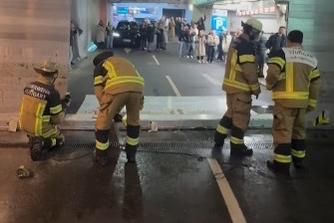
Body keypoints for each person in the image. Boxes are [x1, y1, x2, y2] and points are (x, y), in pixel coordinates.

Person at [266, 30, 321, 175]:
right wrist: (312, 103)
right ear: (301, 41)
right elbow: (315, 83)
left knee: (283, 132)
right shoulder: (310, 58)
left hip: (285, 102)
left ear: (288, 40)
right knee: (299, 132)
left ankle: (281, 166)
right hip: (302, 104)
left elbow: (272, 73)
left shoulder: (281, 53)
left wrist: (270, 85)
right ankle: (299, 162)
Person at [213, 18, 263, 156]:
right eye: (257, 33)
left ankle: (218, 138)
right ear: (252, 32)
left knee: (231, 113)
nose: (258, 36)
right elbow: (249, 71)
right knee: (241, 118)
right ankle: (237, 148)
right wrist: (256, 88)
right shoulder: (246, 46)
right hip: (241, 89)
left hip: (231, 86)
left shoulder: (236, 41)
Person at [93, 51, 145, 166]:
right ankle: (131, 156)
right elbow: (128, 85)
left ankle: (101, 156)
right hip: (138, 88)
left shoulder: (99, 66)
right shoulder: (124, 61)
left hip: (117, 87)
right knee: (133, 122)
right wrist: (116, 112)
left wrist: (105, 108)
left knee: (102, 122)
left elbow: (99, 91)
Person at [19, 61, 70, 161]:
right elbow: (57, 120)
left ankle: (33, 139)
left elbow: (41, 103)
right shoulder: (52, 93)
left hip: (24, 126)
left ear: (40, 73)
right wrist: (64, 107)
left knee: (36, 129)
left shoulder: (28, 86)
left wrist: (58, 102)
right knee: (60, 140)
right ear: (54, 76)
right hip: (39, 129)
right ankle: (41, 143)